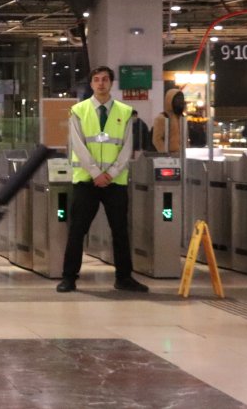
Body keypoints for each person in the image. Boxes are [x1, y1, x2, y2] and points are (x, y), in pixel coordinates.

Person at [57, 66, 149, 294]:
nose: (101, 84)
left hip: (114, 183)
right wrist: (96, 173)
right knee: (77, 230)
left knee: (120, 230)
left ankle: (124, 277)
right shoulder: (78, 110)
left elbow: (127, 147)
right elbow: (78, 145)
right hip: (86, 181)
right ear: (91, 84)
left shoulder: (126, 112)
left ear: (111, 83)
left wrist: (111, 173)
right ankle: (69, 277)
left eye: (105, 80)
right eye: (96, 80)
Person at [152, 88, 186, 154]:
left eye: (182, 99)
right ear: (170, 100)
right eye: (177, 99)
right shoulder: (162, 118)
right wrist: (165, 154)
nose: (181, 102)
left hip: (181, 156)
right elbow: (157, 140)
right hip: (169, 157)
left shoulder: (182, 118)